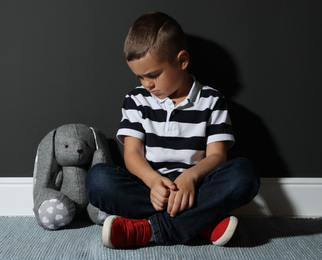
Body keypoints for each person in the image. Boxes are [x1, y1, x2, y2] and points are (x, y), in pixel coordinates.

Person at [85, 12, 260, 249]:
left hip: (196, 187)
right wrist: (153, 180)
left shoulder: (212, 100)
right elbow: (132, 153)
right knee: (98, 180)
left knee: (244, 174)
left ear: (182, 61)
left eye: (153, 75)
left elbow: (218, 155)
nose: (146, 84)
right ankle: (200, 222)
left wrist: (190, 177)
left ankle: (148, 230)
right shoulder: (136, 99)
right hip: (150, 188)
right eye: (139, 77)